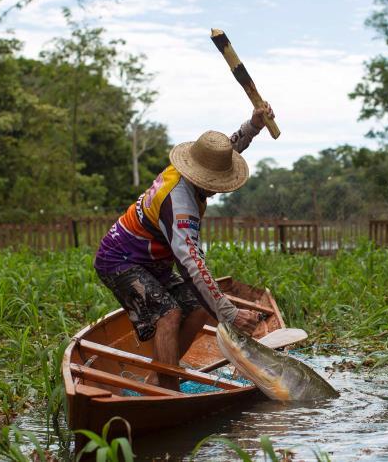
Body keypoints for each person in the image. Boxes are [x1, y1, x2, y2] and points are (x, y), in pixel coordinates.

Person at [93, 103, 275, 389]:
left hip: (152, 262)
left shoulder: (194, 169)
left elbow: (225, 151)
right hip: (120, 259)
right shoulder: (180, 204)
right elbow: (192, 263)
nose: (217, 189)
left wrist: (253, 126)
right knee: (169, 314)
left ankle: (161, 373)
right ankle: (167, 387)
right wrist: (229, 312)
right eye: (216, 183)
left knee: (200, 307)